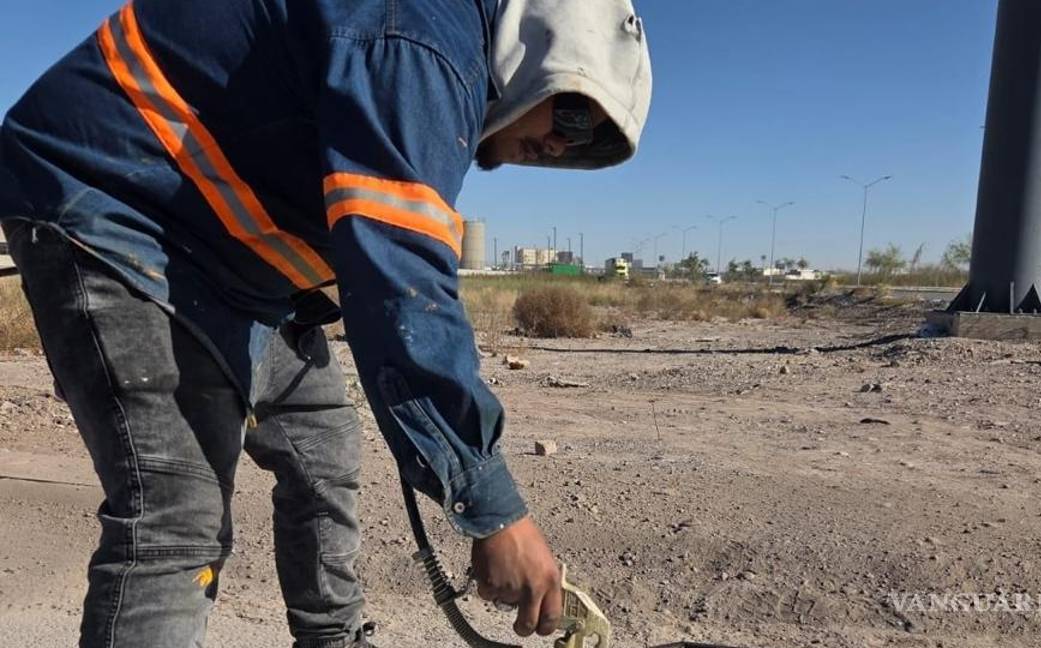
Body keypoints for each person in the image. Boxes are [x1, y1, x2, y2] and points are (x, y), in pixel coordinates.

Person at [0, 0, 651, 645]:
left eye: (587, 139)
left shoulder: (432, 54)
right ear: (535, 41)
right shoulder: (423, 35)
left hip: (225, 260)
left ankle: (334, 640)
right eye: (572, 110)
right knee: (177, 514)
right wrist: (495, 514)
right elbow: (400, 277)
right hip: (111, 203)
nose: (565, 141)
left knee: (322, 445)